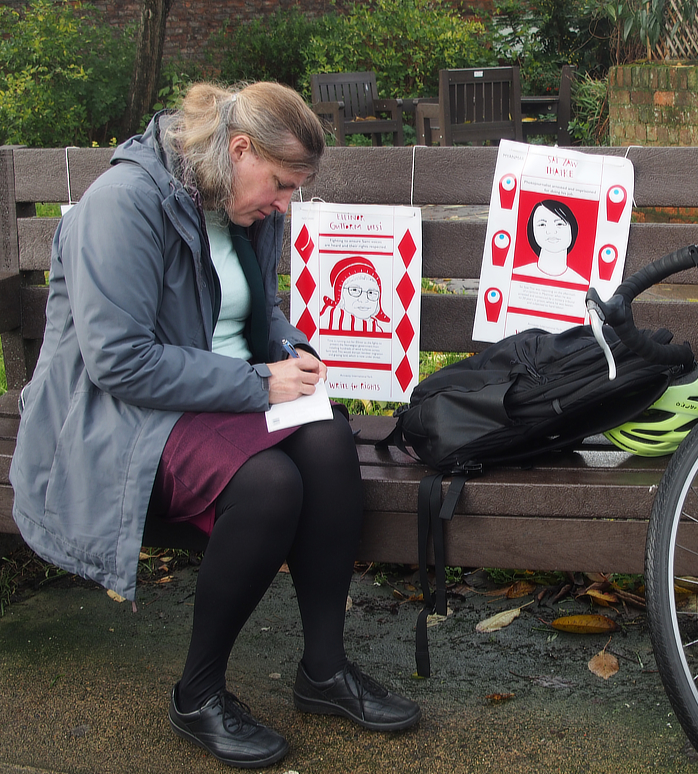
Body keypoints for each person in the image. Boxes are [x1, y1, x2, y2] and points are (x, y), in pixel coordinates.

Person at [9, 82, 420, 769]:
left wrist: (287, 347)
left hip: (221, 401)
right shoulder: (125, 205)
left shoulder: (244, 207)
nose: (285, 204)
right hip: (126, 417)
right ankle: (197, 694)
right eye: (283, 185)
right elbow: (120, 363)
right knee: (268, 486)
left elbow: (246, 313)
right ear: (237, 150)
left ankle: (323, 671)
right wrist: (261, 382)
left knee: (327, 446)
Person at [517, 198, 587, 283]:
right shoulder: (518, 274)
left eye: (560, 224)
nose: (551, 231)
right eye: (542, 224)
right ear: (532, 230)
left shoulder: (581, 283)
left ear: (572, 229)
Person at [320, 256, 391, 333]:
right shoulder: (326, 321)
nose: (364, 300)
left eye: (371, 293)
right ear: (340, 295)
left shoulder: (377, 329)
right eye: (355, 290)